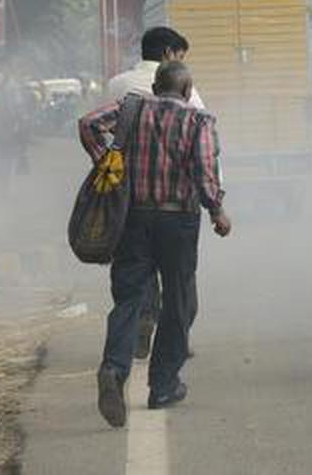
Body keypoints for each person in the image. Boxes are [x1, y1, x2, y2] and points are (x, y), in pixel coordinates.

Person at [78, 61, 231, 427]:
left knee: (129, 298)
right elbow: (205, 170)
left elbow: (87, 125)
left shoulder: (132, 108)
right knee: (178, 301)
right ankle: (163, 386)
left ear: (156, 86)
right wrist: (217, 210)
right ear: (186, 87)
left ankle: (114, 370)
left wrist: (107, 162)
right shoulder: (199, 121)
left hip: (133, 218)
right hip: (178, 220)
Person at [106, 26, 207, 359]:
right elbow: (204, 149)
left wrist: (109, 164)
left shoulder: (118, 86)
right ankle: (173, 346)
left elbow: (100, 131)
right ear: (168, 55)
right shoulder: (186, 92)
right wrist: (215, 203)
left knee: (136, 275)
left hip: (129, 199)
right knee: (180, 283)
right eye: (179, 56)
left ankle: (144, 320)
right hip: (177, 207)